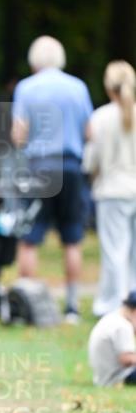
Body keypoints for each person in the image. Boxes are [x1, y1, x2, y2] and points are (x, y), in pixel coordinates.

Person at [11, 35, 94, 323]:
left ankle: (30, 306)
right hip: (71, 166)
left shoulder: (26, 88)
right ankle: (71, 307)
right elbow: (89, 132)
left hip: (39, 167)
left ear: (34, 61)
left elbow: (18, 134)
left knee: (30, 237)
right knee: (72, 237)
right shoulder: (78, 87)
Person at [83, 60, 136, 316]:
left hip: (112, 191)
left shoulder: (101, 117)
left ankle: (117, 304)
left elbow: (91, 161)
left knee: (115, 251)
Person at [88, 292, 136, 387]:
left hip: (103, 377)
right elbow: (126, 359)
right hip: (117, 378)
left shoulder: (111, 318)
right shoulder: (123, 326)